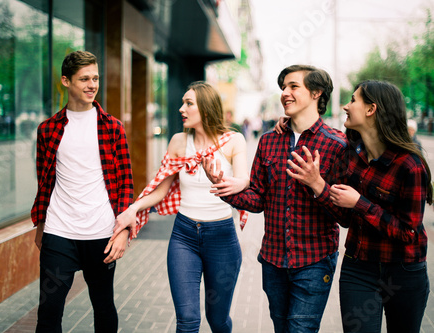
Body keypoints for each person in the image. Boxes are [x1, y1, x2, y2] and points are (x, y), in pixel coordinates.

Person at [204, 65, 347, 332]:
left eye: (294, 86)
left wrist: (318, 185)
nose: (285, 93)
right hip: (273, 260)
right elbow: (258, 198)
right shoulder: (269, 141)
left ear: (316, 93)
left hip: (315, 261)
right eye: (283, 87)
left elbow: (346, 216)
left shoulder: (337, 145)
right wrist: (224, 187)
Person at [285, 80, 432, 333]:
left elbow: (408, 233)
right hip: (358, 268)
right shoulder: (351, 155)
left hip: (403, 272)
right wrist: (318, 184)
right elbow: (344, 218)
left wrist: (361, 204)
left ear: (371, 109)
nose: (346, 105)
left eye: (353, 100)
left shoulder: (410, 165)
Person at [111, 81, 249, 333]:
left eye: (188, 103)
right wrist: (133, 209)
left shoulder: (233, 141)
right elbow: (162, 189)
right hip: (184, 236)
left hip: (222, 238)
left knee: (217, 320)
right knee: (187, 320)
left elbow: (243, 181)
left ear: (206, 109)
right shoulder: (178, 142)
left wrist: (219, 181)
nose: (180, 109)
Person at [30, 50, 133, 333]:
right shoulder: (48, 130)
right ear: (66, 81)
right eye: (84, 78)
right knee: (49, 311)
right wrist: (41, 225)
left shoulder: (113, 128)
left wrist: (123, 230)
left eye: (95, 78)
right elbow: (45, 183)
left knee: (103, 307)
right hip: (59, 232)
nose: (92, 85)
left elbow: (125, 183)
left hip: (101, 234)